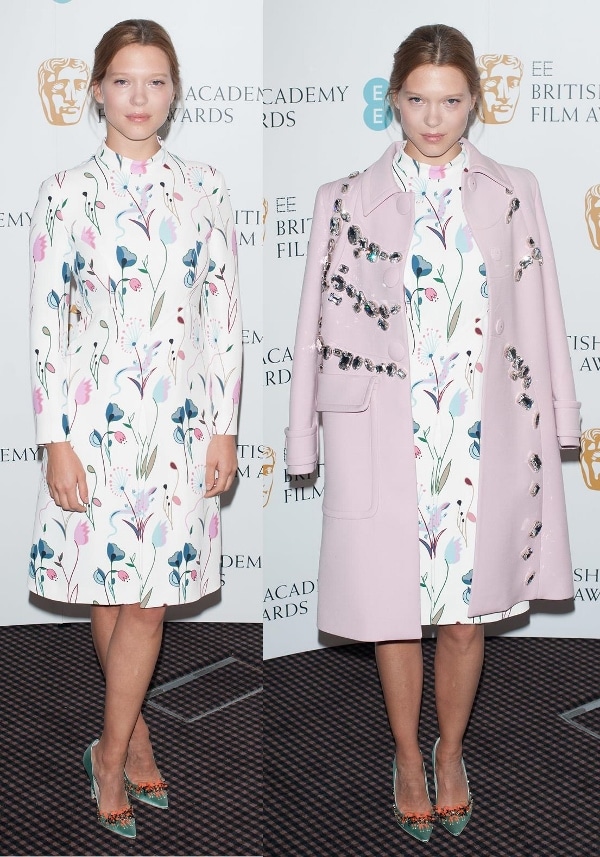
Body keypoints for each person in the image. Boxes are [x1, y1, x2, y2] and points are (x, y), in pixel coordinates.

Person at [285, 23, 580, 843]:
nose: (433, 116)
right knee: (392, 608)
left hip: (478, 434)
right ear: (393, 99)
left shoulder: (513, 188)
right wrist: (303, 436)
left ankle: (451, 750)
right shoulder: (343, 196)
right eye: (417, 99)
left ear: (475, 101)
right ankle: (406, 753)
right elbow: (313, 327)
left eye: (450, 100)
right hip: (383, 430)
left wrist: (560, 416)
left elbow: (543, 313)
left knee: (463, 615)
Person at [29, 19, 242, 839]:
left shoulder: (208, 186)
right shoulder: (65, 191)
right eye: (123, 81)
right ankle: (132, 730)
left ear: (175, 92)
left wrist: (223, 426)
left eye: (155, 82)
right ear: (95, 91)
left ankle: (108, 747)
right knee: (112, 586)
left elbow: (223, 316)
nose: (139, 97)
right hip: (95, 420)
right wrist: (55, 438)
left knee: (148, 605)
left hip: (183, 423)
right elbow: (47, 324)